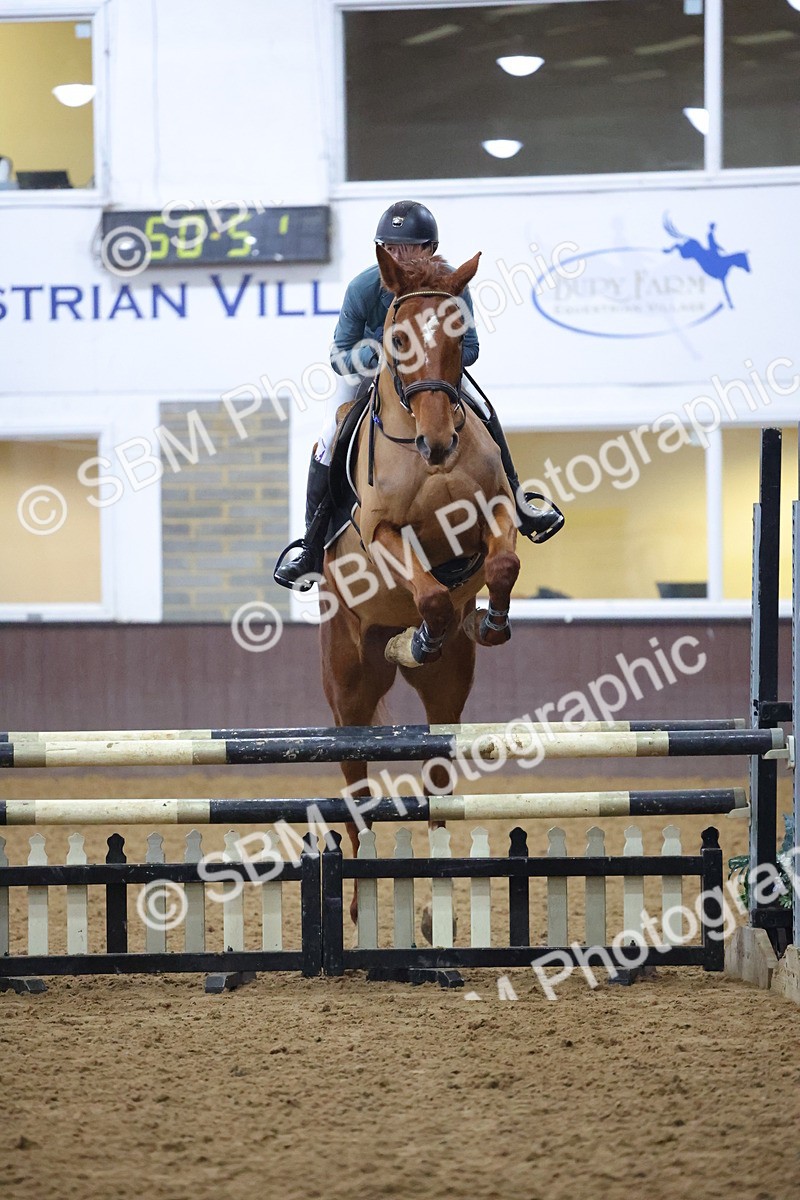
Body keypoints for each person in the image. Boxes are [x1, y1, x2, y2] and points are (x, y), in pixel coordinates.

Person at [273, 200, 561, 590]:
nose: (399, 257)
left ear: (430, 250)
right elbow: (340, 355)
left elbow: (471, 349)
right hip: (369, 375)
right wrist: (386, 351)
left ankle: (520, 504)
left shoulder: (450, 284)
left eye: (409, 249)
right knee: (328, 436)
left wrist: (432, 355)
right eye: (391, 249)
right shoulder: (363, 287)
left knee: (487, 415)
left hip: (433, 377)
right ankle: (311, 545)